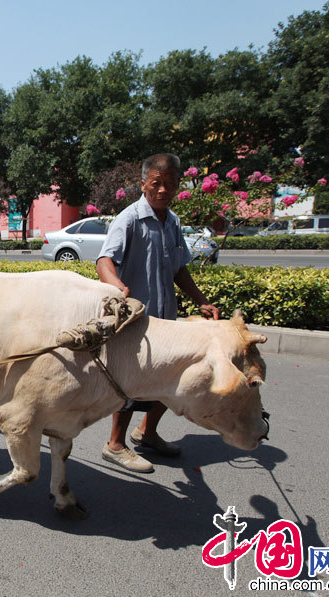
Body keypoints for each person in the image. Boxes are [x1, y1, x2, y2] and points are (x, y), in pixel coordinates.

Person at [96, 153, 219, 473]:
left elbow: (180, 270)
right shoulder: (130, 219)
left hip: (166, 317)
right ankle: (115, 445)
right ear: (143, 184)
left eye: (171, 184)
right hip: (136, 318)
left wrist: (201, 300)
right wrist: (117, 287)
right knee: (129, 383)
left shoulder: (173, 221)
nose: (163, 190)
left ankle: (147, 433)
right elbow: (104, 261)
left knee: (168, 376)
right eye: (157, 183)